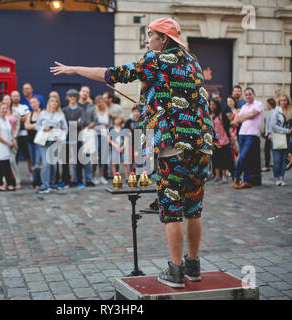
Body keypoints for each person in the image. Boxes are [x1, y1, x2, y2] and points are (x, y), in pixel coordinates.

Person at [50, 17, 219, 288]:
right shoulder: (193, 61)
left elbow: (113, 74)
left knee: (173, 209)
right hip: (201, 144)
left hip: (173, 144)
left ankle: (175, 271)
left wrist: (75, 70)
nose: (147, 40)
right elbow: (174, 92)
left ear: (164, 39)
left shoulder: (155, 59)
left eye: (150, 35)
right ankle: (193, 266)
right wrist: (150, 98)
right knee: (194, 209)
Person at [230, 87, 264, 189]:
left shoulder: (258, 104)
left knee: (243, 156)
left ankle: (236, 177)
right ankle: (247, 181)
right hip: (242, 134)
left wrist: (243, 116)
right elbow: (237, 119)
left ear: (254, 94)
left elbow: (253, 114)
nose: (248, 96)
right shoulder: (244, 106)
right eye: (247, 95)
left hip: (252, 134)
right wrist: (244, 116)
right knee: (247, 158)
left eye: (250, 94)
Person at [35, 96, 68, 194]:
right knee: (46, 163)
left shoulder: (61, 115)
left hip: (55, 141)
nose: (54, 103)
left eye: (56, 102)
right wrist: (43, 128)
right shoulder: (43, 113)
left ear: (58, 104)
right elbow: (37, 125)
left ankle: (52, 184)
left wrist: (62, 137)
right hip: (44, 141)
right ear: (49, 103)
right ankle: (45, 185)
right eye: (52, 101)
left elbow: (65, 128)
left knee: (53, 164)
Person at [61, 89, 85, 188]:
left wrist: (72, 123)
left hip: (77, 138)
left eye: (74, 97)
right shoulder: (64, 110)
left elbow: (82, 123)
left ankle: (79, 180)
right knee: (65, 161)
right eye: (71, 97)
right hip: (66, 138)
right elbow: (63, 124)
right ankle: (65, 180)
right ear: (67, 98)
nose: (72, 99)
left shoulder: (80, 110)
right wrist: (76, 122)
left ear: (77, 98)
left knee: (78, 161)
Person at [270, 94, 292, 186]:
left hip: (287, 139)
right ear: (279, 102)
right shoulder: (276, 111)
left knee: (284, 160)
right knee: (277, 160)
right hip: (277, 138)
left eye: (285, 100)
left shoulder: (291, 111)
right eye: (282, 100)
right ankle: (276, 178)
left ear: (288, 101)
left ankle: (281, 178)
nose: (283, 102)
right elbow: (274, 125)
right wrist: (286, 131)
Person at [0, 102, 16, 192]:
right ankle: (1, 184)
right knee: (4, 164)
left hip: (7, 144)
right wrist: (7, 143)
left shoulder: (6, 119)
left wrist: (12, 140)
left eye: (6, 108)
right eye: (3, 108)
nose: (4, 110)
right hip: (0, 145)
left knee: (5, 164)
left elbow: (9, 132)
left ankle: (6, 184)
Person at [210, 99, 233, 183]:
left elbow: (228, 124)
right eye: (211, 104)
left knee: (224, 159)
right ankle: (217, 176)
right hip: (214, 140)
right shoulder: (210, 115)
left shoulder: (221, 115)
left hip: (223, 140)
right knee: (215, 159)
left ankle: (224, 176)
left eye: (214, 104)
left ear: (217, 105)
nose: (212, 106)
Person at [11, 90, 33, 181]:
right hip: (13, 136)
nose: (16, 97)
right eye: (14, 96)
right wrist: (21, 118)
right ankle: (15, 178)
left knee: (28, 157)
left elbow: (28, 116)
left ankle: (32, 175)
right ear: (11, 97)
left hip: (24, 135)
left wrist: (17, 119)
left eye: (17, 96)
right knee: (14, 158)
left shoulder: (24, 106)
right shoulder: (9, 108)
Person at [1, 94, 21, 189]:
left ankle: (18, 181)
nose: (8, 101)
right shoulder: (0, 112)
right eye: (6, 99)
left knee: (12, 161)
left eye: (9, 99)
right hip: (3, 140)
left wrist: (14, 136)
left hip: (13, 139)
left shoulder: (16, 112)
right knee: (5, 161)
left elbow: (17, 126)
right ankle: (5, 181)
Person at [78, 86, 97, 187]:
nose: (85, 93)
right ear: (80, 93)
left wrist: (90, 125)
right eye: (83, 91)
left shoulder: (91, 106)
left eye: (87, 92)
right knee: (77, 158)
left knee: (87, 157)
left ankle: (89, 179)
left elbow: (95, 120)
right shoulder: (75, 105)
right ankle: (78, 179)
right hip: (76, 133)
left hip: (88, 134)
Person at [24, 96, 43, 189]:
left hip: (39, 141)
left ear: (38, 103)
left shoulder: (43, 113)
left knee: (38, 162)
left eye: (35, 102)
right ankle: (37, 181)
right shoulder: (30, 114)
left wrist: (32, 125)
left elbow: (43, 126)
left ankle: (36, 182)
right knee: (33, 162)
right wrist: (35, 125)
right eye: (31, 103)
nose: (33, 104)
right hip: (30, 141)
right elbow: (26, 126)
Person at [92, 95, 110, 185]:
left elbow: (107, 125)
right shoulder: (94, 111)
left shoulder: (106, 111)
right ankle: (94, 176)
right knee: (95, 157)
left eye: (101, 102)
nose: (100, 104)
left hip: (103, 135)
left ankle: (101, 176)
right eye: (98, 102)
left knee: (103, 156)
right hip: (95, 135)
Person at [125, 105, 141, 174]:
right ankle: (132, 173)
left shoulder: (142, 122)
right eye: (135, 111)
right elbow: (126, 131)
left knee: (138, 159)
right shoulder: (129, 121)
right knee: (131, 159)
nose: (136, 113)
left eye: (138, 111)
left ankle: (139, 174)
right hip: (131, 143)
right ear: (132, 112)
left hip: (139, 143)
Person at [262, 98, 277, 172]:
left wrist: (270, 134)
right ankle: (269, 165)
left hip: (270, 135)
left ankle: (267, 166)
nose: (266, 105)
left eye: (267, 104)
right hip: (269, 134)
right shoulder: (270, 112)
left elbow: (272, 124)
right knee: (268, 150)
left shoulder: (273, 112)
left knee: (268, 150)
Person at [225, 96, 240, 162]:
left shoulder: (237, 110)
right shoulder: (226, 110)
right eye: (228, 101)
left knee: (236, 148)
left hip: (235, 131)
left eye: (231, 101)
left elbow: (236, 122)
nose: (229, 103)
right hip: (227, 132)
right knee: (230, 149)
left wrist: (227, 122)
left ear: (234, 101)